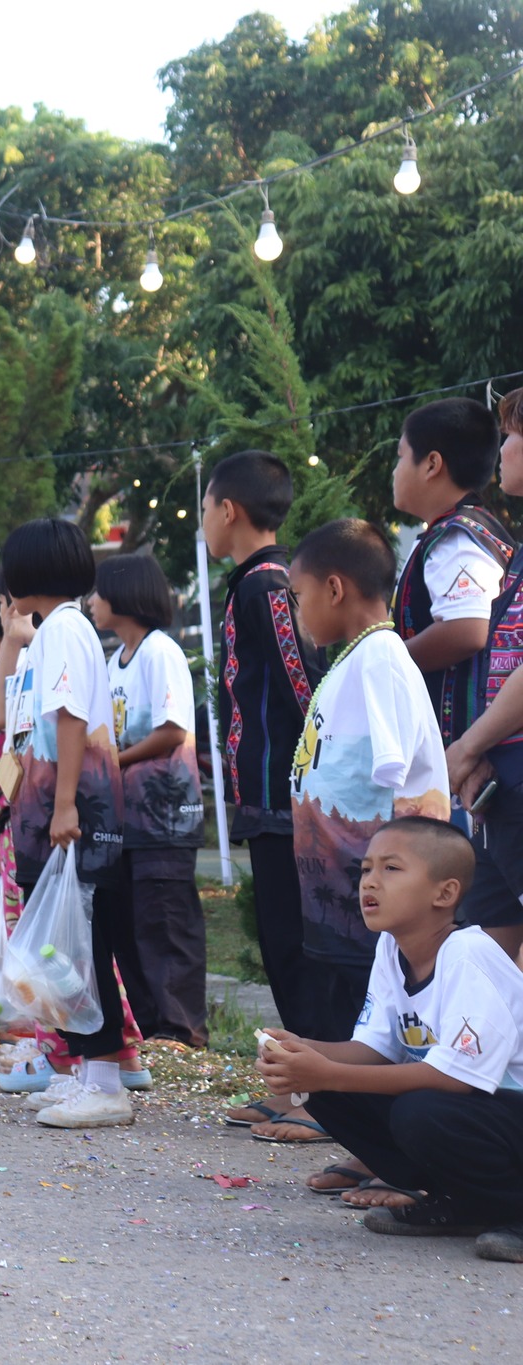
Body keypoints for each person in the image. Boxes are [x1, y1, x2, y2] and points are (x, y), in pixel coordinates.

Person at [258, 816, 523, 1263]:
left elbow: (457, 1078)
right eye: (365, 869)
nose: (370, 883)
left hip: (503, 1107)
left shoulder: (469, 954)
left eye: (391, 869)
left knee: (423, 1111)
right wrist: (302, 1053)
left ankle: (511, 1207)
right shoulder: (391, 948)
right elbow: (375, 1050)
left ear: (446, 893)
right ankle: (466, 1203)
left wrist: (330, 1071)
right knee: (321, 1086)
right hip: (476, 1112)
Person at [272, 519, 452, 1147]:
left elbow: (403, 790)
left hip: (369, 898)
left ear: (337, 588)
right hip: (340, 898)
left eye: (298, 597)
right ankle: (360, 1141)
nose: (296, 614)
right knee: (342, 1005)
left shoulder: (380, 661)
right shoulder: (354, 660)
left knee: (368, 1020)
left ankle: (383, 1149)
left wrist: (392, 884)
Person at [0, 518, 132, 1128]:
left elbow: (71, 717)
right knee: (63, 946)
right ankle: (82, 1070)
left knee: (86, 942)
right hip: (49, 812)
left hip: (77, 813)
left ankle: (106, 1078)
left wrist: (66, 805)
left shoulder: (68, 629)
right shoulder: (47, 633)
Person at [201, 451, 327, 1081]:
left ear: (228, 510)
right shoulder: (252, 581)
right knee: (281, 945)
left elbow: (306, 688)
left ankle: (317, 1094)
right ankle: (304, 1087)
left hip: (288, 801)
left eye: (204, 510)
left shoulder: (268, 583)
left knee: (293, 946)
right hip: (267, 800)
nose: (203, 522)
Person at [90, 553, 208, 1048]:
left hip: (164, 814)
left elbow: (172, 730)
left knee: (165, 921)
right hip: (127, 819)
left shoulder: (160, 652)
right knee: (128, 922)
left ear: (124, 594)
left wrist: (113, 759)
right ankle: (149, 1023)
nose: (92, 603)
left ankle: (181, 1028)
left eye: (98, 592)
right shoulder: (115, 659)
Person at [446, 386, 523, 962]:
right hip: (501, 772)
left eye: (512, 435)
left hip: (503, 766)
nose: (503, 447)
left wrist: (466, 749)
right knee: (492, 955)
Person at [390, 397, 513, 748]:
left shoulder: (457, 539)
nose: (396, 471)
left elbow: (467, 629)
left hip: (460, 755)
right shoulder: (452, 534)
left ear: (431, 464)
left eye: (400, 457)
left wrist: (387, 660)